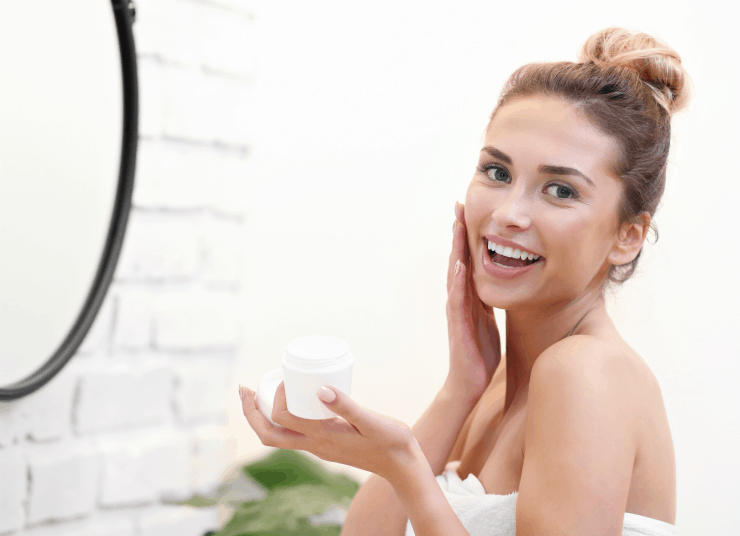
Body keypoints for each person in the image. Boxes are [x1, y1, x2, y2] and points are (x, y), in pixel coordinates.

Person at [239, 26, 691, 536]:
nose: (508, 213)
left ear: (627, 237)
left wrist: (406, 466)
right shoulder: (498, 384)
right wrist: (460, 390)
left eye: (560, 189)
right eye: (497, 173)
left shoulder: (584, 372)